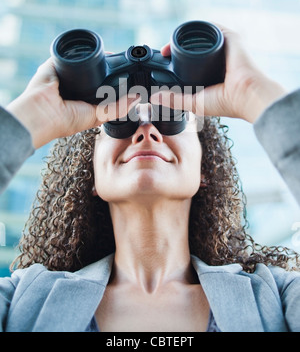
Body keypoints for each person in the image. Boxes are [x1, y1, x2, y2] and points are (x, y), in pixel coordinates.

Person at [0, 24, 299, 332]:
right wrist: (34, 114)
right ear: (90, 174)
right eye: (118, 120)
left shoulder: (278, 296)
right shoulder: (21, 301)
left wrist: (253, 91)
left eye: (171, 116)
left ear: (204, 169)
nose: (146, 130)